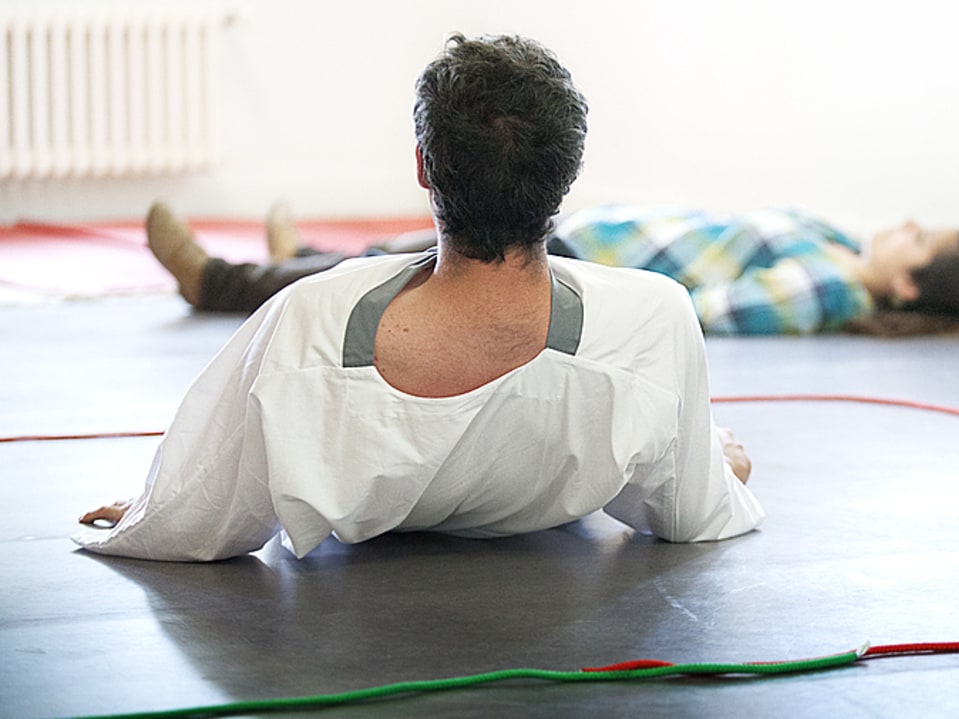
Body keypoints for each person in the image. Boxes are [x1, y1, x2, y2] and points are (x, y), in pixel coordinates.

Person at [75, 34, 763, 562]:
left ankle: (237, 268)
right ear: (567, 175)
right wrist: (711, 461)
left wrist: (155, 510)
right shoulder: (652, 319)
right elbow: (692, 514)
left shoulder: (308, 321)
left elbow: (202, 515)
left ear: (422, 169)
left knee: (360, 276)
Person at [148, 203, 959, 337]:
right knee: (399, 250)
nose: (901, 226)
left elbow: (699, 305)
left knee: (403, 267)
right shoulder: (832, 237)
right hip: (587, 232)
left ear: (907, 286)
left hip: (576, 264)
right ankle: (287, 259)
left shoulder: (824, 286)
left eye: (917, 241)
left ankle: (221, 281)